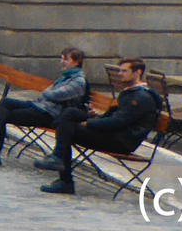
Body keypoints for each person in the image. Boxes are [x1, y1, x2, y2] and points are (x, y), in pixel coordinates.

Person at [36, 57, 161, 195]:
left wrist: (89, 123)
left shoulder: (140, 97)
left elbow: (118, 122)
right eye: (120, 70)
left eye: (124, 71)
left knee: (66, 130)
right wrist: (95, 116)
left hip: (121, 141)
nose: (120, 74)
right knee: (70, 113)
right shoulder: (130, 92)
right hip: (114, 134)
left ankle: (64, 180)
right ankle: (58, 158)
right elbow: (115, 117)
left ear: (137, 73)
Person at [0, 48, 88, 164]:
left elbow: (54, 95)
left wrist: (46, 93)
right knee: (5, 103)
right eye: (61, 59)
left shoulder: (78, 81)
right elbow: (47, 94)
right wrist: (47, 93)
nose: (62, 62)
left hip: (49, 114)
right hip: (40, 107)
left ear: (76, 62)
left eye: (66, 59)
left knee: (2, 115)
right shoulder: (64, 77)